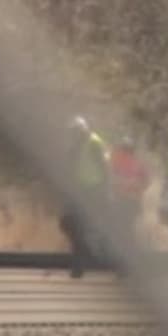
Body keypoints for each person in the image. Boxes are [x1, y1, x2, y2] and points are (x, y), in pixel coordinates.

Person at [60, 116, 111, 278]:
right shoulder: (77, 144)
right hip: (80, 190)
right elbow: (72, 165)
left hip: (93, 190)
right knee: (72, 224)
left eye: (75, 131)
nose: (73, 134)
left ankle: (82, 264)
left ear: (82, 130)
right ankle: (84, 260)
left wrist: (105, 188)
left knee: (81, 226)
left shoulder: (94, 142)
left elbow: (104, 167)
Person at [108, 135, 150, 241]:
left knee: (129, 226)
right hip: (121, 198)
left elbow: (146, 181)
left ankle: (130, 247)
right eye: (124, 148)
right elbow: (111, 176)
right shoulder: (117, 159)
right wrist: (118, 183)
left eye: (128, 149)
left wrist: (136, 185)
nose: (126, 151)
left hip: (132, 200)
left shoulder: (139, 162)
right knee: (121, 226)